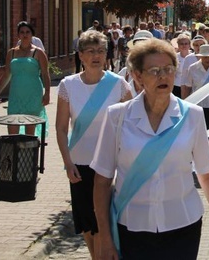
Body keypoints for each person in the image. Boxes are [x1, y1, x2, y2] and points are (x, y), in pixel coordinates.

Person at [91, 39, 209, 259]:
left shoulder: (192, 115)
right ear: (137, 76)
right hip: (132, 228)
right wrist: (105, 238)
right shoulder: (117, 116)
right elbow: (102, 182)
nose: (163, 76)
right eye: (154, 70)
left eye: (169, 70)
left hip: (183, 226)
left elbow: (207, 176)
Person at [55, 30, 132, 258]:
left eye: (100, 51)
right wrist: (67, 163)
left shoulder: (118, 85)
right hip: (80, 164)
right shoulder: (68, 86)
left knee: (104, 222)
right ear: (81, 55)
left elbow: (131, 124)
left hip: (110, 165)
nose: (96, 56)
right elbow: (60, 128)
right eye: (91, 51)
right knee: (87, 224)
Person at [0, 22, 51, 136]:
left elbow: (45, 74)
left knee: (29, 133)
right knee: (12, 132)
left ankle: (29, 153)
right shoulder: (12, 53)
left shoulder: (38, 53)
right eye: (22, 32)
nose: (25, 35)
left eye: (27, 32)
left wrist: (47, 93)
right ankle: (14, 154)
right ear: (18, 35)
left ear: (32, 35)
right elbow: (7, 75)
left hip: (33, 95)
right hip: (16, 95)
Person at [173, 32, 192, 98]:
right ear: (178, 45)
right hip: (177, 86)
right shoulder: (174, 57)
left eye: (186, 43)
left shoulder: (193, 57)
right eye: (181, 44)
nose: (184, 45)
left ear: (189, 45)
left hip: (190, 87)